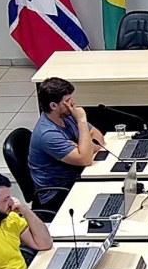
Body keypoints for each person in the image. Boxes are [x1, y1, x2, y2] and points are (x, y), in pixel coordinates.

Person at [29, 77, 104, 211]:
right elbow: (86, 159)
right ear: (53, 106)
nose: (73, 103)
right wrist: (81, 121)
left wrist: (83, 148)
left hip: (77, 175)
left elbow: (99, 137)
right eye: (68, 101)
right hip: (57, 192)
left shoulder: (67, 116)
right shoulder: (48, 134)